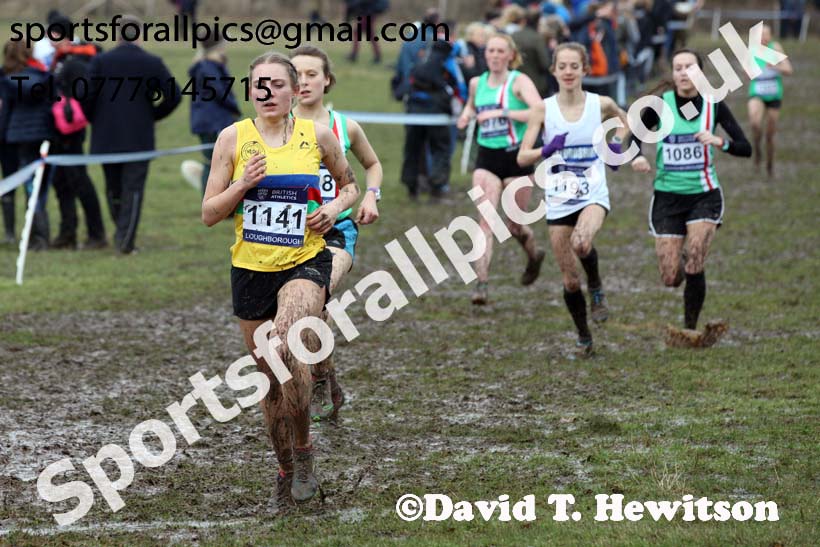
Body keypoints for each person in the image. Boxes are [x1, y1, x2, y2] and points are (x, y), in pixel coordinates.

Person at [202, 51, 359, 510]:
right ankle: (286, 469)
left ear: (295, 91)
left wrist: (333, 209)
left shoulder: (318, 135)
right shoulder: (232, 139)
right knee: (270, 380)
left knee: (289, 347)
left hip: (305, 262)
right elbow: (209, 213)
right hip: (250, 272)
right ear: (250, 91)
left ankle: (306, 449)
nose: (267, 92)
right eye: (259, 84)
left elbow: (350, 185)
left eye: (277, 83)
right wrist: (241, 186)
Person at [630, 49, 751, 348]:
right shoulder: (659, 106)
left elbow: (745, 147)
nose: (683, 72)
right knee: (671, 277)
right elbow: (630, 140)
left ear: (701, 72)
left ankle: (690, 329)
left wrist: (719, 141)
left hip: (704, 195)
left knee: (695, 259)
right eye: (678, 67)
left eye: (690, 67)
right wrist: (636, 157)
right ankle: (684, 265)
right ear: (672, 73)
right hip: (667, 197)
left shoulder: (713, 105)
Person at [518, 42, 629, 356]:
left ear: (585, 69)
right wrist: (545, 150)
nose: (568, 72)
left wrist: (617, 145)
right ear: (553, 70)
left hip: (593, 192)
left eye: (574, 66)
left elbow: (625, 120)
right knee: (568, 280)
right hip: (557, 198)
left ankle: (595, 286)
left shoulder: (601, 104)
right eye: (562, 66)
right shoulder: (543, 108)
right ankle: (584, 336)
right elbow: (523, 156)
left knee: (582, 243)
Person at [290, 45, 383, 421]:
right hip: (288, 238)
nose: (304, 81)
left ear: (327, 80)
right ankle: (326, 376)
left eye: (312, 74)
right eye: (297, 75)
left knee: (312, 304)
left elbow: (373, 165)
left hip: (337, 233)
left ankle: (317, 379)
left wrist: (371, 197)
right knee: (314, 314)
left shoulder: (345, 127)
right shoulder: (274, 125)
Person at [456, 33, 546, 306]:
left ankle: (533, 255)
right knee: (485, 220)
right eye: (490, 51)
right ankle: (481, 283)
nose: (494, 55)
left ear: (510, 55)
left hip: (517, 158)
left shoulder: (519, 82)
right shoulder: (476, 83)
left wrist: (502, 113)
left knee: (515, 225)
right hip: (487, 159)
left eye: (500, 51)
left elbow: (539, 111)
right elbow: (472, 104)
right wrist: (466, 114)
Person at [82, 15, 181, 255]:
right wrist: (153, 115)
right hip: (139, 136)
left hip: (106, 136)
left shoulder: (100, 61)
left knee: (113, 189)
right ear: (140, 34)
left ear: (116, 35)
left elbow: (85, 96)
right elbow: (174, 95)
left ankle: (122, 235)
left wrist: (95, 119)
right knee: (133, 190)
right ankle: (124, 239)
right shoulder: (152, 62)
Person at [48, 15, 107, 250]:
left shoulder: (75, 62)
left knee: (79, 181)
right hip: (56, 132)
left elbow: (85, 95)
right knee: (61, 183)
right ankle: (67, 232)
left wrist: (72, 112)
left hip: (70, 132)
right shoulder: (60, 60)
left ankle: (96, 234)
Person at [2, 40, 54, 250]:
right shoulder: (43, 74)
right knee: (36, 187)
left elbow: (5, 113)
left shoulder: (7, 81)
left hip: (19, 138)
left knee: (26, 183)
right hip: (43, 136)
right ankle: (39, 235)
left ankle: (35, 237)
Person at [401, 39, 460, 201]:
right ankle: (436, 188)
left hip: (414, 113)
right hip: (437, 114)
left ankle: (412, 188)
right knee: (440, 150)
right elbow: (457, 87)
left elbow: (404, 86)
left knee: (412, 150)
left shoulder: (419, 62)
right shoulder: (447, 64)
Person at [188, 35, 241, 194]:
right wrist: (234, 108)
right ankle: (212, 200)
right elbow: (219, 91)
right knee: (212, 162)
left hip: (211, 120)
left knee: (216, 161)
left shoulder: (211, 66)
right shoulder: (207, 67)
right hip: (212, 122)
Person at [747, 23, 792, 181]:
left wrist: (776, 67)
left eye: (765, 35)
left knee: (770, 135)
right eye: (760, 35)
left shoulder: (776, 48)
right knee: (755, 123)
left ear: (770, 36)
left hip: (774, 95)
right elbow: (746, 72)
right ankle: (758, 150)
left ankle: (770, 165)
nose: (763, 38)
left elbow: (789, 70)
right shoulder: (751, 50)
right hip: (757, 92)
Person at [512, 9, 551, 97]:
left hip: (515, 82)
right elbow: (544, 64)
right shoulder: (537, 38)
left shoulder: (514, 35)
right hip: (535, 84)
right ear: (537, 22)